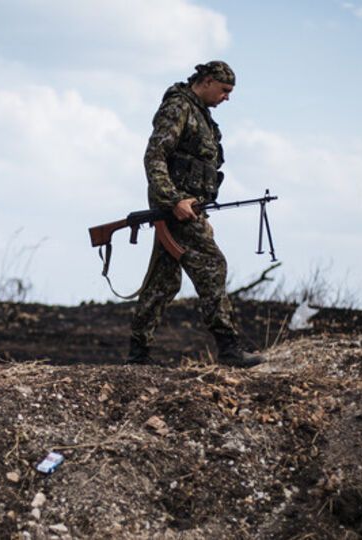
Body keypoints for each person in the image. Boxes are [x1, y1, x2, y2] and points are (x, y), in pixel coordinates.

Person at [128, 60, 265, 369]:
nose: (227, 98)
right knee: (213, 264)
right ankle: (229, 348)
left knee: (163, 283)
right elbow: (155, 156)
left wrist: (199, 212)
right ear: (206, 81)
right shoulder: (178, 107)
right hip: (175, 209)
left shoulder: (201, 115)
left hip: (188, 210)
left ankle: (138, 354)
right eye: (224, 90)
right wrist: (174, 200)